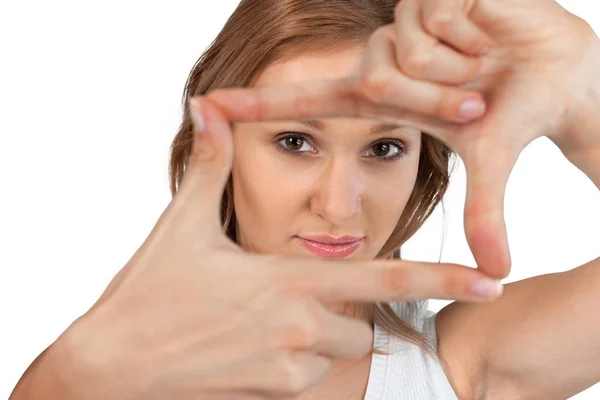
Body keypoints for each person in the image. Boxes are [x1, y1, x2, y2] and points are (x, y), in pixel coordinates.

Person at [9, 1, 600, 400]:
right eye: (296, 141)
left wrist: (586, 99)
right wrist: (78, 372)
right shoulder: (102, 371)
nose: (340, 207)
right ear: (217, 142)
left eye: (386, 147)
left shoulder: (460, 361)